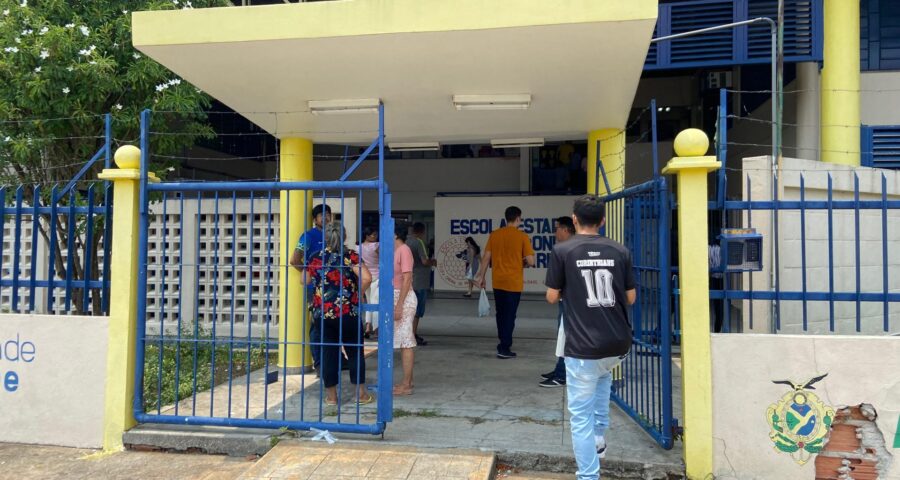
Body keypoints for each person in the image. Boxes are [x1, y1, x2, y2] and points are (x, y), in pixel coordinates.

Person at [544, 195, 636, 480]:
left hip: (584, 346)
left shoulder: (563, 251)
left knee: (579, 416)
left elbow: (551, 297)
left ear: (574, 219)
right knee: (603, 378)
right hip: (618, 343)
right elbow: (630, 298)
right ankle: (599, 439)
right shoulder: (620, 251)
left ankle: (588, 475)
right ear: (603, 220)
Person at [304, 222, 373, 406]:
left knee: (328, 353)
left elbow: (305, 280)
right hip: (347, 312)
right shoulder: (350, 256)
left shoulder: (316, 257)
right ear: (343, 236)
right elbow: (367, 278)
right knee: (355, 352)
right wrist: (355, 294)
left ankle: (332, 397)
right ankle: (361, 394)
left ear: (325, 237)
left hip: (323, 314)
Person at [475, 206, 536, 359]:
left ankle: (502, 341)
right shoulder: (522, 236)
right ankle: (504, 347)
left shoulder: (495, 235)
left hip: (498, 282)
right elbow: (531, 260)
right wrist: (524, 262)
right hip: (513, 283)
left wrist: (481, 277)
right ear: (518, 218)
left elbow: (486, 258)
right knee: (510, 315)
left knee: (500, 314)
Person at [290, 204, 332, 371]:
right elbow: (294, 260)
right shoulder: (308, 236)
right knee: (317, 324)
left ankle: (333, 360)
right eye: (322, 215)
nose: (326, 217)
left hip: (332, 286)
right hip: (314, 288)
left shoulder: (332, 235)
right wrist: (310, 273)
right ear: (315, 219)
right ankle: (319, 363)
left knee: (332, 322)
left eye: (328, 214)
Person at [539, 216, 576, 388]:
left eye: (557, 228)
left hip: (568, 299)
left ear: (566, 229)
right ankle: (559, 369)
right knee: (562, 335)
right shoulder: (575, 248)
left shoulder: (564, 250)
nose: (555, 232)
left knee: (565, 336)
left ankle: (562, 374)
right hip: (568, 299)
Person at [393, 225, 418, 395]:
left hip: (404, 298)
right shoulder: (394, 251)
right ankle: (406, 381)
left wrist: (400, 304)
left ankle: (407, 384)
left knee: (406, 341)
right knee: (402, 341)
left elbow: (407, 278)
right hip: (396, 296)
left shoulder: (404, 250)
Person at [407, 222, 436, 346]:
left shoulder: (406, 242)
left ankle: (407, 333)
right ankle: (412, 335)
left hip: (408, 279)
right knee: (417, 310)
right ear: (422, 231)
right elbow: (424, 261)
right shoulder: (419, 243)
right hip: (419, 280)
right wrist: (432, 262)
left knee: (409, 308)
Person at [359, 226, 380, 337]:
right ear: (367, 235)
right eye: (373, 234)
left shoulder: (359, 247)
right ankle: (376, 329)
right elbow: (384, 259)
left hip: (365, 277)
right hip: (377, 277)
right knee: (375, 303)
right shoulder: (377, 245)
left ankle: (367, 327)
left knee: (368, 303)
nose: (375, 236)